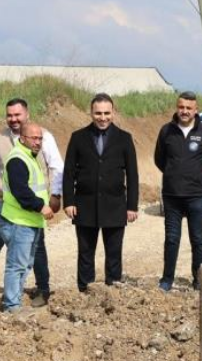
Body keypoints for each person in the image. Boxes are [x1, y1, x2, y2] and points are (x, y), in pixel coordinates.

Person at [0, 98, 64, 306]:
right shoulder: (0, 138)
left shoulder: (42, 136)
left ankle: (43, 289)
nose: (13, 119)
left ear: (27, 115)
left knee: (36, 248)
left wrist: (55, 195)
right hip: (5, 202)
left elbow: (56, 166)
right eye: (9, 115)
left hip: (32, 205)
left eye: (17, 115)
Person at [64, 93, 139, 292]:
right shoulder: (78, 137)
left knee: (114, 252)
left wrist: (131, 205)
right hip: (84, 206)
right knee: (86, 252)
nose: (102, 117)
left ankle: (112, 288)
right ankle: (84, 289)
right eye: (98, 113)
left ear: (113, 113)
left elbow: (132, 175)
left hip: (115, 206)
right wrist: (69, 201)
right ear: (91, 112)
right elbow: (69, 172)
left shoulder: (124, 138)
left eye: (106, 113)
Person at [154, 91, 202, 291]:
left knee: (197, 240)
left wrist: (201, 176)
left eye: (188, 108)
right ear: (177, 107)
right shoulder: (166, 131)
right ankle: (167, 279)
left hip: (196, 196)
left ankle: (198, 279)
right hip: (172, 196)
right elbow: (159, 159)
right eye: (181, 107)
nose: (184, 111)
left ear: (196, 110)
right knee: (171, 239)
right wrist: (173, 174)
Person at [0, 123, 54, 314]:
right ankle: (11, 306)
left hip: (29, 222)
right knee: (16, 265)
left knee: (25, 264)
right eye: (34, 138)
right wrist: (41, 206)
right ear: (22, 138)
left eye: (40, 138)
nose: (38, 142)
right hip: (18, 222)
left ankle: (14, 302)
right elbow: (21, 191)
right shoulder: (17, 159)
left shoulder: (30, 157)